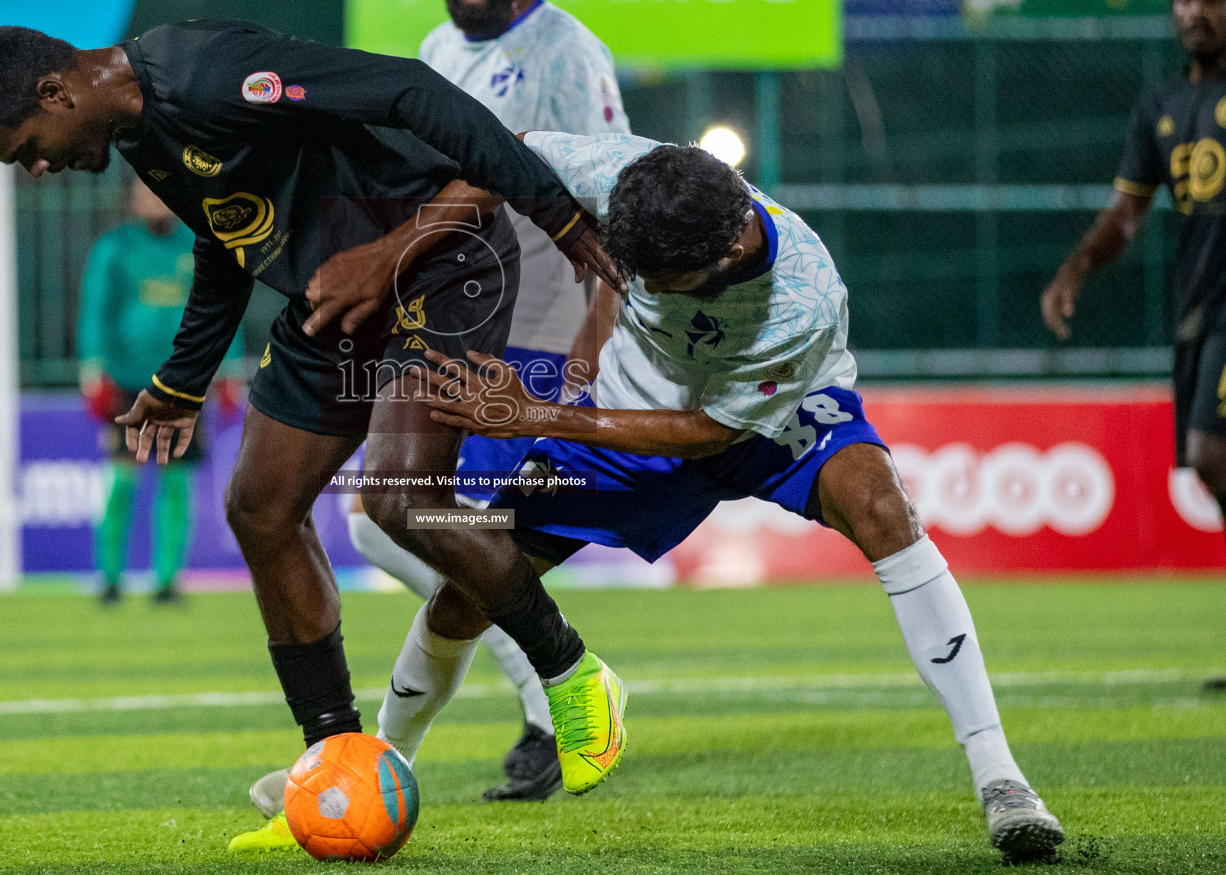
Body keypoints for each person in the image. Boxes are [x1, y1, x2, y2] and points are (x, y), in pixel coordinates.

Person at [0, 21, 630, 854]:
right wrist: (182, 377)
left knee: (400, 500)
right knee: (259, 508)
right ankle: (332, 768)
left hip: (441, 263)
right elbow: (226, 240)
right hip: (331, 297)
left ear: (56, 94)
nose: (39, 169)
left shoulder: (206, 70)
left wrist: (549, 207)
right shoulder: (141, 133)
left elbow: (410, 87)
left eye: (28, 150)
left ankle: (574, 673)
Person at [378, 131, 1066, 862]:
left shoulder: (801, 302)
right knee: (467, 591)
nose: (635, 283)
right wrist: (403, 252)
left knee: (883, 509)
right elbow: (503, 152)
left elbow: (706, 433)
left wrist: (540, 414)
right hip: (620, 411)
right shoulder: (630, 171)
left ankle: (1002, 778)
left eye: (656, 274)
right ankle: (382, 762)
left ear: (727, 255)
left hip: (760, 417)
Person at [334, 0, 632, 805]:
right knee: (395, 519)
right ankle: (551, 691)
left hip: (537, 330)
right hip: (464, 320)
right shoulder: (435, 47)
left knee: (415, 519)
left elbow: (610, 206)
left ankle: (547, 702)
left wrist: (586, 360)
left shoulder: (566, 56)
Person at [1042, 0, 1226, 694]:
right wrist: (1075, 269)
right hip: (1200, 307)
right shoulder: (1159, 107)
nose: (1196, 11)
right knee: (1212, 463)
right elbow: (1127, 213)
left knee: (1211, 457)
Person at [78, 176, 242, 604]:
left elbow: (224, 307)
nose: (153, 198)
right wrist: (93, 368)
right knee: (120, 481)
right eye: (145, 191)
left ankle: (167, 580)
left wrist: (229, 370)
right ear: (132, 197)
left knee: (176, 484)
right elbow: (96, 311)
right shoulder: (115, 248)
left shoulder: (200, 244)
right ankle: (109, 578)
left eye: (159, 190)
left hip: (183, 383)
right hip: (126, 382)